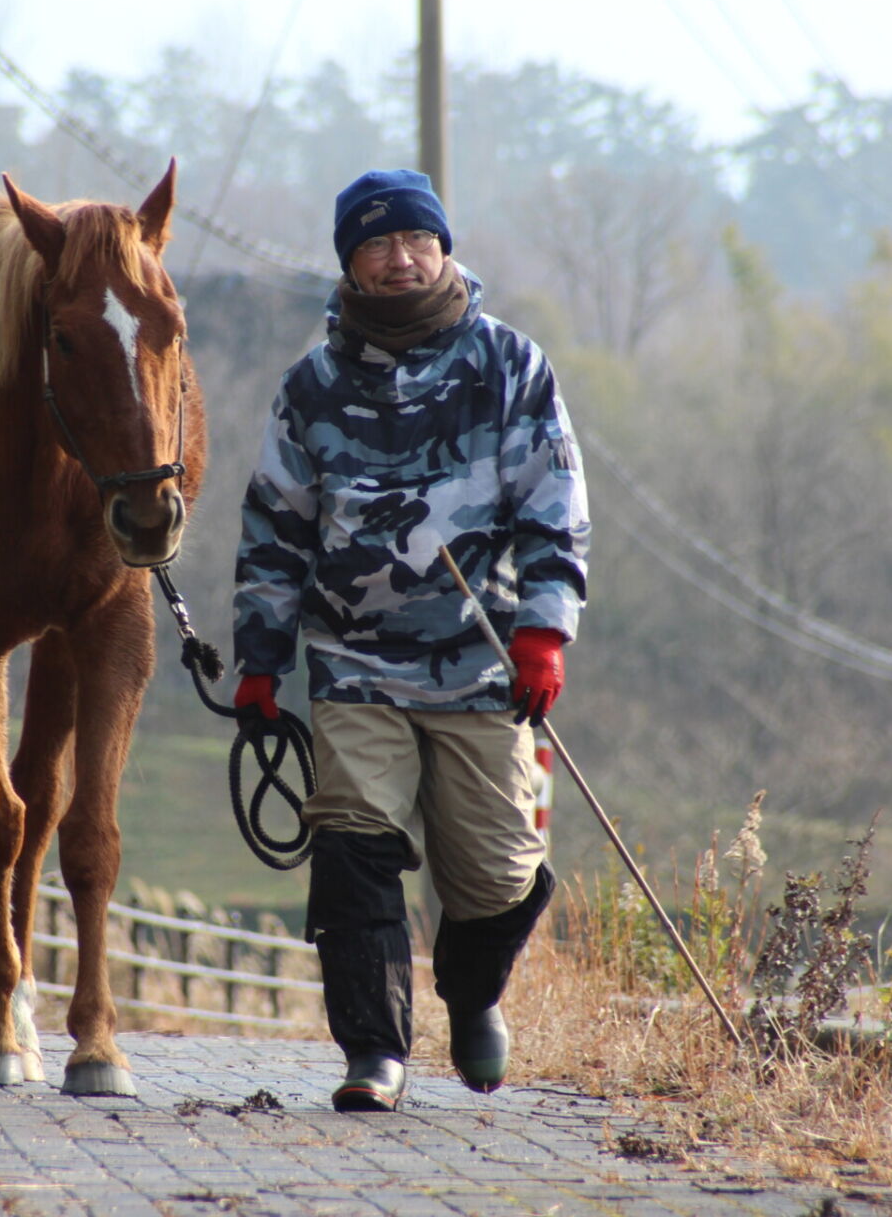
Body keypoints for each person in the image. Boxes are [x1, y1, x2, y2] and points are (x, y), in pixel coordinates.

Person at [232, 168, 590, 1112]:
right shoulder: (310, 389)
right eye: (378, 244)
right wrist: (261, 662)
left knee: (497, 876)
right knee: (352, 840)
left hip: (483, 665)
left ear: (443, 246)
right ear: (350, 259)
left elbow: (555, 511)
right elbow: (275, 529)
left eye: (416, 241)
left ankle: (473, 995)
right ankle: (374, 1053)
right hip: (355, 663)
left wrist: (544, 632)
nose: (401, 259)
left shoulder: (511, 365)